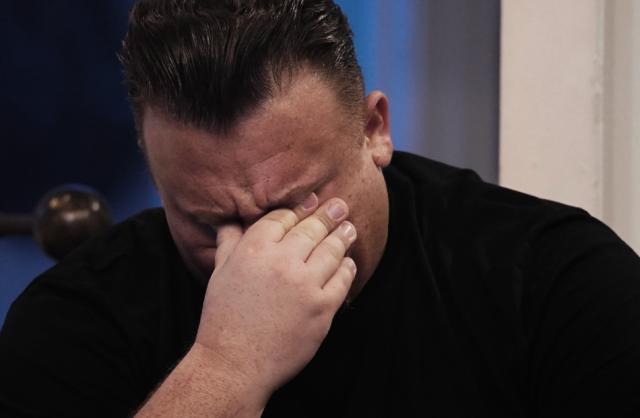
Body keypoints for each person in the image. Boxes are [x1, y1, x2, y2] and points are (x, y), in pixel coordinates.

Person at [1, 0, 640, 416]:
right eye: (207, 220)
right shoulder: (79, 320)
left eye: (294, 204)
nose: (258, 252)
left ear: (374, 130)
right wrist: (227, 366)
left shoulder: (557, 284)